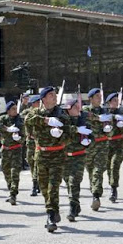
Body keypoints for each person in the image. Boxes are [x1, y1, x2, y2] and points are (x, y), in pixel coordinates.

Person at [26, 87, 74, 232]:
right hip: (41, 155)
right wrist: (46, 121)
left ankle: (50, 215)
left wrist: (60, 135)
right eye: (50, 95)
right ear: (43, 99)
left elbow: (70, 136)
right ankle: (54, 208)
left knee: (53, 186)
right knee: (44, 187)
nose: (54, 97)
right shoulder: (36, 113)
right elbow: (28, 120)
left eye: (54, 95)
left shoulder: (62, 115)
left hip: (57, 156)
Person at [62, 98, 93, 221]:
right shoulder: (64, 121)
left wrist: (88, 141)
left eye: (74, 107)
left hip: (78, 155)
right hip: (64, 156)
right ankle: (76, 204)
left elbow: (92, 136)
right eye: (69, 109)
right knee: (67, 181)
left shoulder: (84, 120)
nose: (72, 110)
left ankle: (72, 208)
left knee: (74, 182)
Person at [84, 88, 113, 212]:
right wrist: (98, 118)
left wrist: (108, 127)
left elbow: (111, 125)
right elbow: (87, 116)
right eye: (97, 96)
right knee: (90, 170)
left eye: (100, 96)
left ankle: (96, 196)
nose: (99, 98)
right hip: (89, 146)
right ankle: (94, 192)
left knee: (98, 170)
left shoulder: (105, 111)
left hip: (102, 145)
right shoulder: (86, 110)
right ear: (90, 99)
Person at [0, 100, 24, 205]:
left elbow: (24, 136)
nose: (15, 111)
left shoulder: (20, 121)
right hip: (5, 149)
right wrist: (7, 129)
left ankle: (13, 194)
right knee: (6, 171)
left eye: (16, 109)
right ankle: (10, 188)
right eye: (13, 109)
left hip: (16, 149)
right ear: (8, 111)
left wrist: (19, 139)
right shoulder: (3, 119)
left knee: (15, 172)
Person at [105, 92, 123, 202]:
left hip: (118, 144)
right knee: (109, 167)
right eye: (113, 100)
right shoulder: (104, 112)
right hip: (107, 145)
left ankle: (114, 189)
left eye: (116, 100)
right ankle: (111, 185)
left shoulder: (121, 112)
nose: (116, 102)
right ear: (109, 103)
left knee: (114, 166)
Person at [21, 95, 41, 196]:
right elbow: (20, 119)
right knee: (31, 161)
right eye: (37, 102)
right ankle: (36, 181)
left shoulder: (42, 112)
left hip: (40, 142)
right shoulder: (26, 112)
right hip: (30, 142)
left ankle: (35, 185)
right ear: (33, 103)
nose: (39, 104)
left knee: (38, 163)